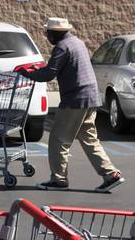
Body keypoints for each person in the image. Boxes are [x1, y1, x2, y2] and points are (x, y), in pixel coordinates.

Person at [17, 17, 125, 192]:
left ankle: (58, 180)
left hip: (75, 99)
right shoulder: (77, 42)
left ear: (54, 33)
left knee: (58, 140)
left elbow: (48, 74)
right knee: (89, 138)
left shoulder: (62, 47)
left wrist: (26, 73)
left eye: (48, 33)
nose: (46, 36)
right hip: (90, 97)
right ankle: (111, 175)